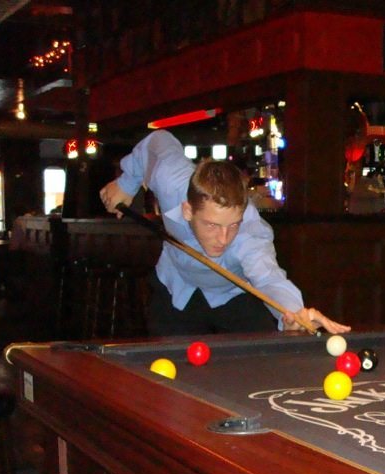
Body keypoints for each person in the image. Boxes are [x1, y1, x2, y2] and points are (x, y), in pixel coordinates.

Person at [100, 130, 350, 336]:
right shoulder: (171, 180)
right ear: (188, 210)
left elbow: (269, 278)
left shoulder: (250, 235)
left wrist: (295, 313)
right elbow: (157, 141)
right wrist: (126, 184)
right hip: (178, 288)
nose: (223, 239)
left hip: (232, 294)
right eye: (211, 225)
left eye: (233, 225)